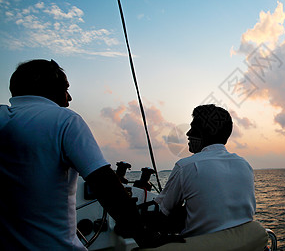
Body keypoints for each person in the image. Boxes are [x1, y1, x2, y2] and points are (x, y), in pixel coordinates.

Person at [0, 59, 150, 250]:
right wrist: (146, 238)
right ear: (49, 88)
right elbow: (104, 184)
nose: (69, 98)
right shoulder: (65, 120)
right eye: (65, 89)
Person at [155, 104, 256, 238]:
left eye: (193, 128)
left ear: (207, 133)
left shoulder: (185, 166)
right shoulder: (245, 165)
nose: (188, 133)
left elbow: (164, 215)